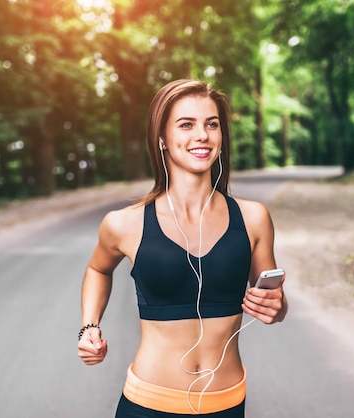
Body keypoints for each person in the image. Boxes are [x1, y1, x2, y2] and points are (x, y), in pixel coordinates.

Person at [77, 79, 288, 417]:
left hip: (227, 404)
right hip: (148, 403)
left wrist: (276, 307)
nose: (202, 135)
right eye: (186, 124)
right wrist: (89, 327)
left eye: (212, 124)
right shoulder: (124, 223)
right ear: (161, 138)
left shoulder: (253, 218)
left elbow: (275, 303)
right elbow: (98, 268)